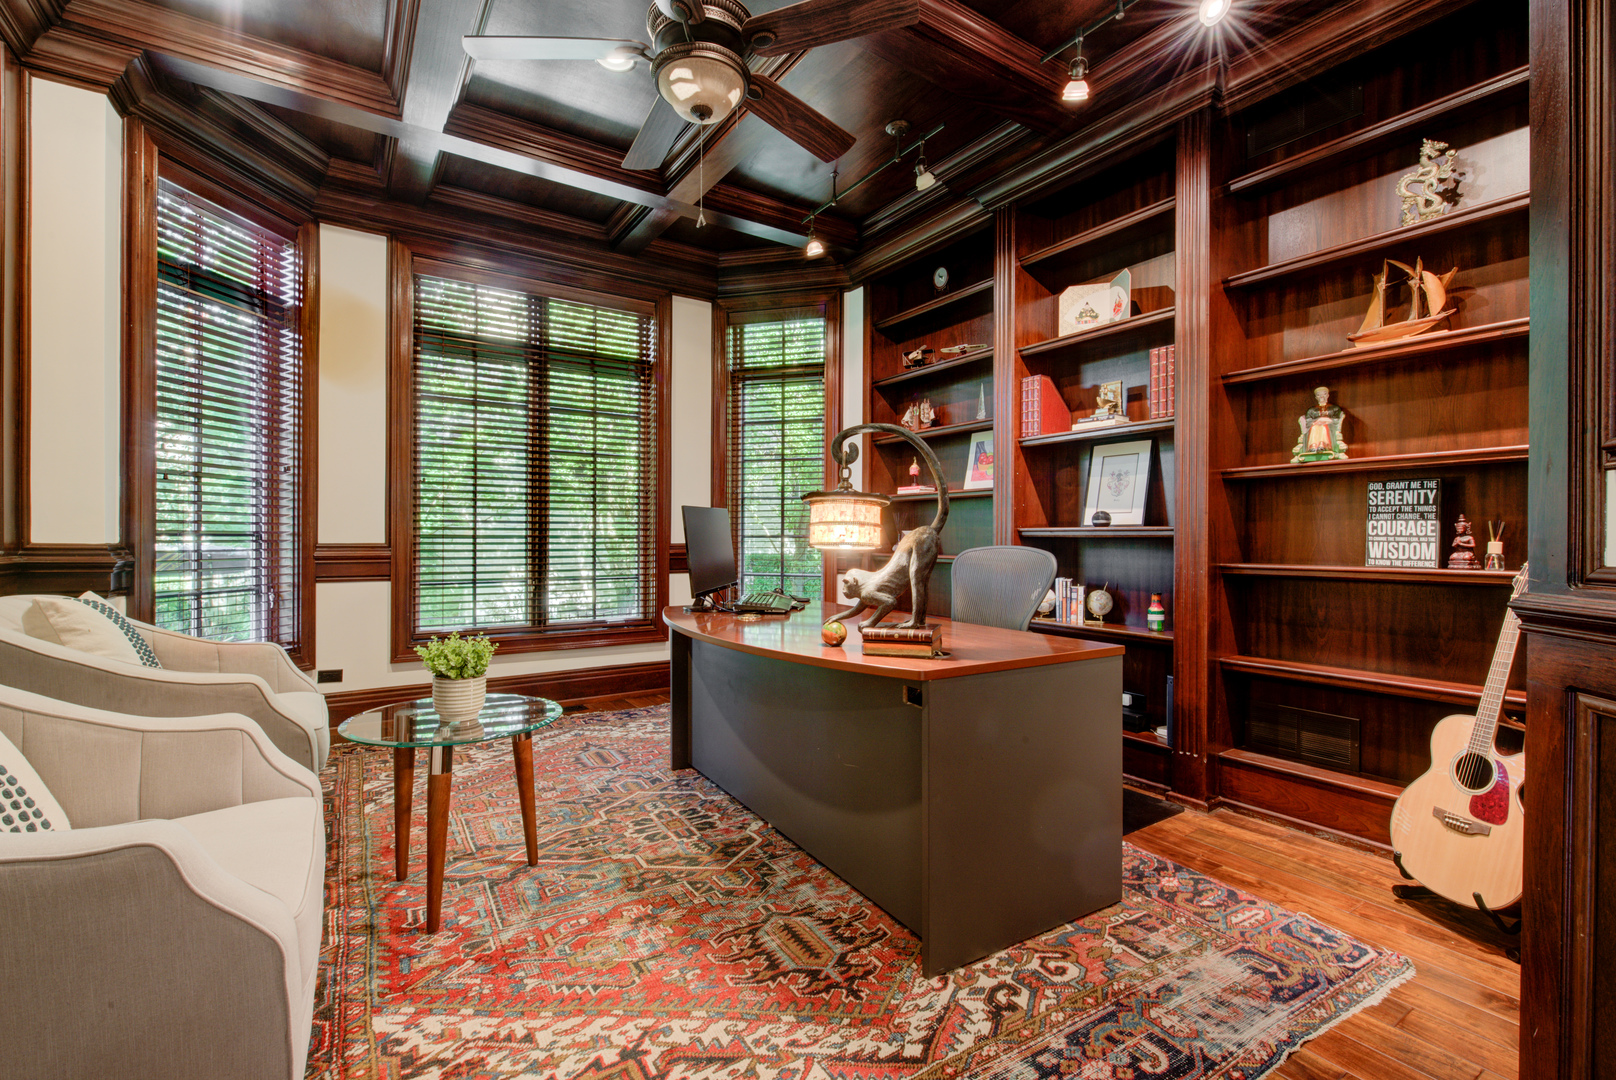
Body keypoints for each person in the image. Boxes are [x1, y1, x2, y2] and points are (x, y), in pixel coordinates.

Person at [1291, 385, 1347, 463]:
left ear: (1327, 395)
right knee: (1314, 427)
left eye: (1324, 394)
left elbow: (1336, 419)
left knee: (1324, 427)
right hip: (1315, 426)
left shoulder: (1334, 408)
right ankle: (1313, 446)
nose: (1321, 396)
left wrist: (1327, 420)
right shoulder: (1312, 410)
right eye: (1318, 395)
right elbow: (1308, 421)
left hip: (1330, 426)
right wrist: (1316, 422)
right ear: (1316, 397)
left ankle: (1323, 445)